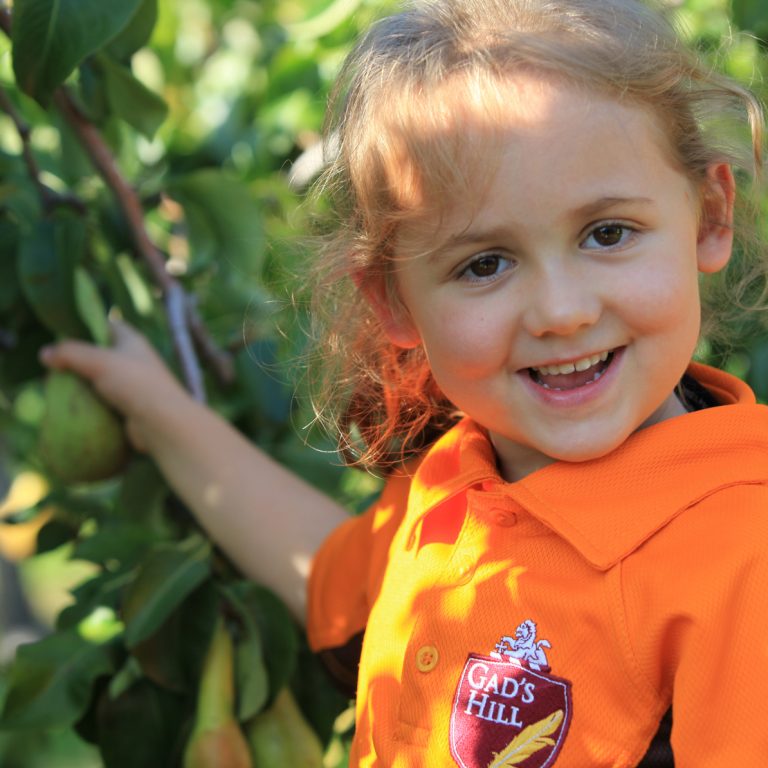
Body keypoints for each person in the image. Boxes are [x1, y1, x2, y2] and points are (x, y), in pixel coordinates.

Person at [40, 0, 768, 765]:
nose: (560, 312)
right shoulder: (462, 483)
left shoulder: (739, 557)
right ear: (394, 301)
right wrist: (154, 409)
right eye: (484, 263)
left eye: (608, 233)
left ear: (710, 215)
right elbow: (329, 576)